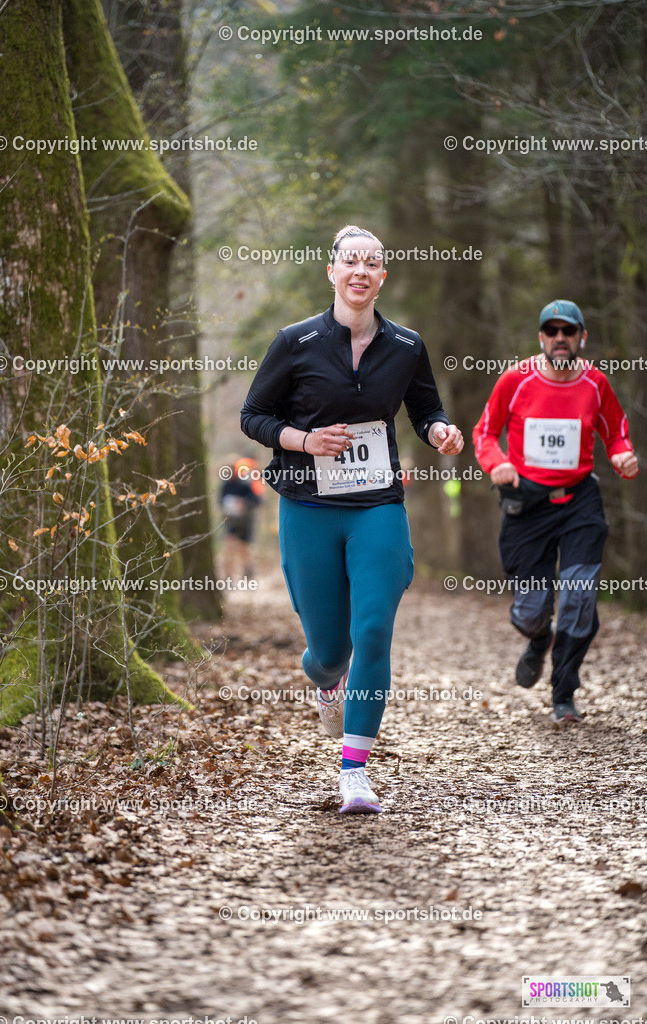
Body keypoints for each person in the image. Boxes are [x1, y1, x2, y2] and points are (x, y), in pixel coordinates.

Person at [240, 224, 463, 813]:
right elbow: (253, 415)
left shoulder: (407, 346)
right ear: (332, 272)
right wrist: (304, 440)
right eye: (351, 262)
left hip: (376, 506)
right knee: (330, 651)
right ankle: (325, 677)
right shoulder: (296, 342)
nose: (360, 271)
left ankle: (355, 771)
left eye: (372, 263)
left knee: (372, 632)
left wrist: (439, 430)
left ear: (382, 276)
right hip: (309, 507)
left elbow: (425, 407)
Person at [473, 300, 638, 724]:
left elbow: (616, 432)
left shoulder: (595, 384)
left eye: (569, 331)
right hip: (527, 502)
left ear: (582, 337)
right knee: (530, 609)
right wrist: (498, 464)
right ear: (541, 338)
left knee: (579, 595)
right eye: (552, 331)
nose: (560, 338)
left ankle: (564, 691)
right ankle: (538, 638)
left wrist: (622, 455)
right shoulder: (516, 379)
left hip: (580, 497)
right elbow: (485, 432)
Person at [219, 457, 263, 580]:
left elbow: (257, 501)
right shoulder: (225, 486)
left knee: (244, 549)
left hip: (245, 522)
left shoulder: (245, 485)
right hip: (230, 522)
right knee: (229, 548)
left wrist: (243, 503)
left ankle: (248, 573)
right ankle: (228, 576)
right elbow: (220, 502)